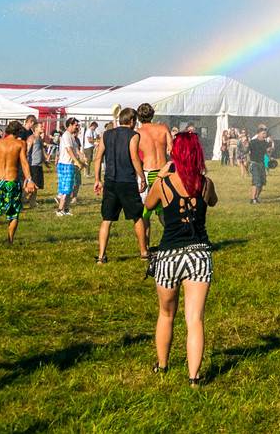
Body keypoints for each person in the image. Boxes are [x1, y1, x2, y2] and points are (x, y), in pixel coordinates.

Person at [145, 129, 216, 382]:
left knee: (166, 314)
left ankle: (163, 365)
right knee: (194, 319)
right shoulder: (205, 183)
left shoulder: (164, 184)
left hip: (169, 255)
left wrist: (160, 176)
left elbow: (148, 205)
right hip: (199, 254)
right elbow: (213, 201)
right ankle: (194, 376)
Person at [95, 107, 148, 263]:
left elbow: (98, 158)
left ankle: (101, 256)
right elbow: (134, 157)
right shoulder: (133, 135)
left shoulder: (107, 134)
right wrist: (142, 177)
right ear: (131, 121)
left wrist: (97, 179)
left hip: (110, 181)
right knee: (137, 217)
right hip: (127, 181)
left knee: (107, 219)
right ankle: (144, 252)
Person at [136, 104, 174, 224]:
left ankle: (145, 243)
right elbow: (172, 149)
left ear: (138, 117)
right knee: (164, 208)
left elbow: (134, 156)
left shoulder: (138, 133)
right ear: (152, 115)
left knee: (145, 212)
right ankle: (172, 239)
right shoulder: (163, 128)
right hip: (164, 171)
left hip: (148, 172)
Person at [56, 117, 86, 216]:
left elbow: (76, 149)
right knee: (65, 189)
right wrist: (77, 162)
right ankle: (59, 210)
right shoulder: (66, 135)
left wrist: (82, 158)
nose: (77, 127)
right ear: (70, 125)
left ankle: (66, 209)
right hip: (65, 165)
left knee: (70, 189)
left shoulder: (72, 136)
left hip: (70, 164)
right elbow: (69, 150)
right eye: (76, 125)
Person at [22, 115, 45, 206]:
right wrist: (25, 164)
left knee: (37, 186)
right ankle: (21, 199)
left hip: (38, 165)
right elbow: (27, 152)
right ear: (35, 128)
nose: (43, 128)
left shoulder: (40, 138)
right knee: (30, 187)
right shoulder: (31, 138)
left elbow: (40, 151)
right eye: (41, 127)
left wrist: (45, 161)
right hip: (32, 165)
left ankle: (32, 203)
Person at [247, 126, 271, 204]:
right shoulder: (253, 142)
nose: (265, 135)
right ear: (258, 134)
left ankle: (256, 197)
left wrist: (270, 151)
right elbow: (246, 151)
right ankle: (252, 199)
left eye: (265, 133)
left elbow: (268, 153)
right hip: (254, 164)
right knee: (256, 182)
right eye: (263, 133)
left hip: (262, 164)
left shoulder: (266, 143)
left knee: (262, 183)